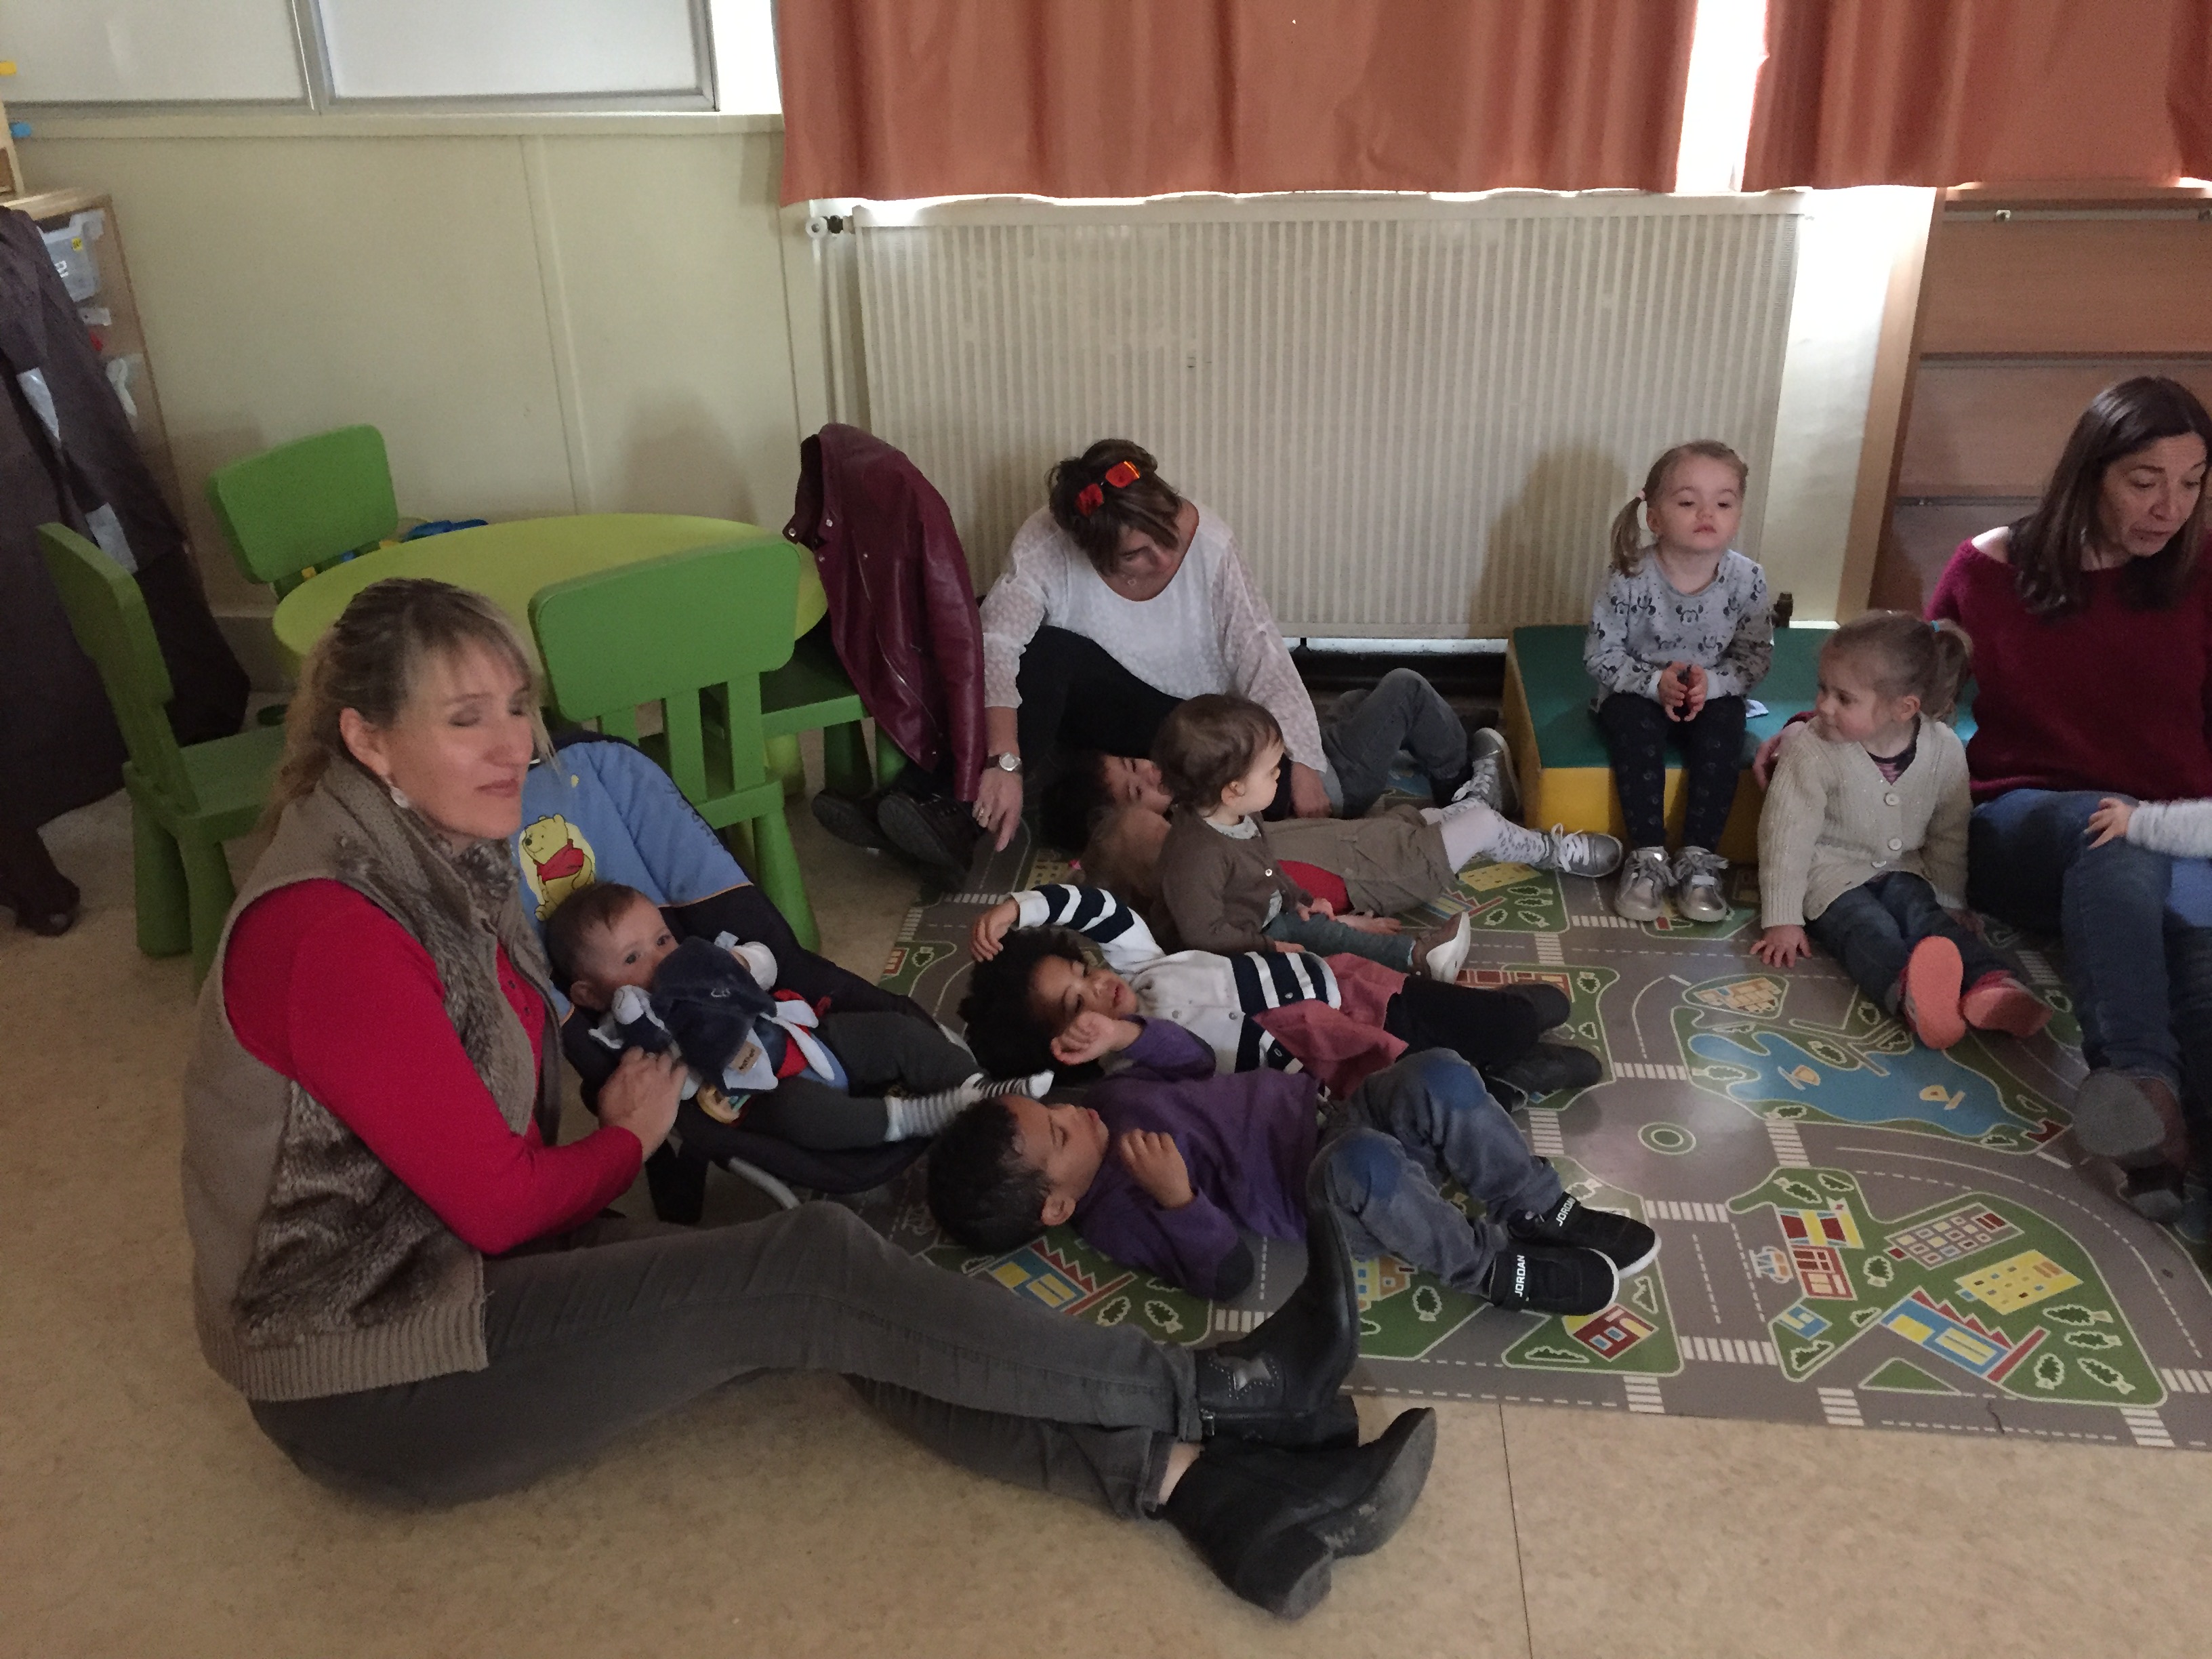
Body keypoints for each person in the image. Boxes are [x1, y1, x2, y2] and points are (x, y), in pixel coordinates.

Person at [179, 575, 1437, 1620]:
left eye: (517, 705)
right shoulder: (332, 929)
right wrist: (629, 1139)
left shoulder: (434, 854)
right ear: (367, 739)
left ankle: (1207, 1490)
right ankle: (1219, 1389)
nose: (517, 745)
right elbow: (503, 1205)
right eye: (467, 719)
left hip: (470, 1278)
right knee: (810, 1272)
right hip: (377, 1366)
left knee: (836, 1302)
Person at [1761, 377, 2212, 1219]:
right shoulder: (1992, 568)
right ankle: (2140, 1081)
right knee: (2114, 833)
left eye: (2192, 484)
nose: (2170, 508)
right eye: (2145, 482)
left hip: (2176, 827)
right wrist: (1811, 725)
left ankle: (2165, 1148)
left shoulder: (2202, 570)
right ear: (2091, 473)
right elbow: (1908, 677)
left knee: (2199, 958)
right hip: (2024, 820)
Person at [928, 1029, 1656, 1316]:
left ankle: (1534, 1205)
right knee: (1364, 1164)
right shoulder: (1116, 1213)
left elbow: (1193, 1063)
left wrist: (1133, 1034)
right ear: (1057, 1206)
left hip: (1335, 1110)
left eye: (1050, 1106)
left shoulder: (1104, 1100)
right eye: (1058, 1133)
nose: (1070, 1111)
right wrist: (1179, 1200)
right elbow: (1226, 1276)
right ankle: (1490, 1270)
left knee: (1438, 1070)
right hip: (1329, 1188)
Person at [970, 439, 1332, 867]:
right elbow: (996, 644)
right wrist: (1004, 763)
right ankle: (959, 812)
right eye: (1135, 553)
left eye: (1166, 533)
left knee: (1274, 788)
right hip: (1097, 724)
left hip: (1190, 722)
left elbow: (1263, 654)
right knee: (1043, 650)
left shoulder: (1212, 544)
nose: (1161, 559)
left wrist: (1305, 761)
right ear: (1093, 551)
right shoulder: (1046, 544)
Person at [962, 882, 1599, 1105]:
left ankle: (1511, 1024)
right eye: (1078, 1004)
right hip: (1335, 1058)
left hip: (1349, 986)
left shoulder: (1140, 966)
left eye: (1081, 971)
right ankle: (1511, 1082)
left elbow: (1101, 911)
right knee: (1436, 1089)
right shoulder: (1132, 1068)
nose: (1096, 985)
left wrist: (1020, 908)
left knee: (1486, 1020)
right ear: (1067, 1046)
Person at [545, 880, 1048, 1147]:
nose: (661, 960)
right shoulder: (631, 1035)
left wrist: (738, 964)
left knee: (896, 1033)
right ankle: (916, 1119)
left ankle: (980, 1087)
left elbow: (767, 964)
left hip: (811, 1037)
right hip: (765, 1092)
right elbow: (672, 1088)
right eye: (632, 959)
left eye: (662, 940)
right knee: (804, 1117)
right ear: (590, 995)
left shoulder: (707, 959)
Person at [1750, 613, 2048, 1049]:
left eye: (1844, 698)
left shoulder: (1943, 749)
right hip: (1828, 876)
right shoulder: (1811, 750)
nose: (1824, 706)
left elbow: (1949, 832)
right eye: (1823, 689)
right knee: (1869, 928)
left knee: (1927, 919)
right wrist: (1782, 918)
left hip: (1904, 869)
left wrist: (1949, 898)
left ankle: (1994, 985)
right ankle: (1911, 995)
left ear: (1903, 708)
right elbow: (1785, 837)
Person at [1149, 693, 1473, 980]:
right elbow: (1205, 936)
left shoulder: (1241, 813)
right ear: (1234, 790)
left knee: (1324, 931)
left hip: (1262, 918)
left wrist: (1299, 898)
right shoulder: (1198, 855)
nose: (1279, 774)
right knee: (1331, 948)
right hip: (1233, 955)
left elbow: (1269, 868)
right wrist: (1269, 946)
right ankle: (1419, 959)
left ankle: (1406, 952)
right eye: (1271, 771)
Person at [1585, 440, 1773, 924]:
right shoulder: (1629, 575)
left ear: (1738, 514)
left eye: (1723, 503)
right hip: (1638, 692)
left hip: (1711, 693)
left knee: (1724, 730)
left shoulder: (1748, 579)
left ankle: (1699, 861)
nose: (1706, 514)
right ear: (1655, 516)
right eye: (1688, 502)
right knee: (1635, 729)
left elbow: (1755, 657)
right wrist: (1653, 683)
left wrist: (1715, 683)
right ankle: (1648, 855)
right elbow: (1601, 655)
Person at [1040, 674, 1513, 856]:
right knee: (1404, 691)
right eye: (1136, 791)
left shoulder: (1176, 768)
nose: (1148, 773)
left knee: (1354, 700)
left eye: (1131, 763)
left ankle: (1434, 738)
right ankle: (1460, 784)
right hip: (1334, 784)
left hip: (1307, 756)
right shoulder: (1193, 816)